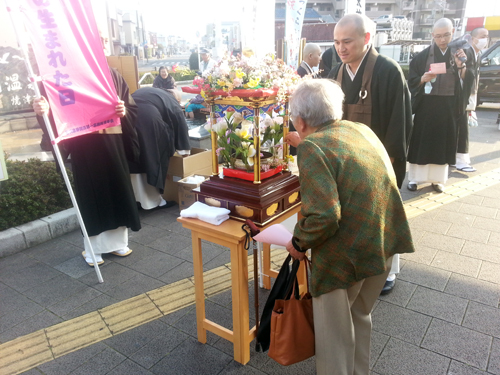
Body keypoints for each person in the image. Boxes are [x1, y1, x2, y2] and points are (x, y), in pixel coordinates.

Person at [284, 79, 414, 375]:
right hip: (384, 242)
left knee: (333, 338)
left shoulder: (312, 149)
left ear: (300, 122)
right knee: (359, 317)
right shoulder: (360, 130)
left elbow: (325, 216)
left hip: (345, 258)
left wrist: (299, 242)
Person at [328, 13, 413, 294]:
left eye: (347, 42)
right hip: (347, 162)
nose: (341, 48)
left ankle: (388, 272)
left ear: (366, 38)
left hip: (380, 162)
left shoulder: (388, 71)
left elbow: (399, 121)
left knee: (382, 217)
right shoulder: (336, 72)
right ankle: (357, 266)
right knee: (354, 218)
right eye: (337, 42)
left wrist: (388, 163)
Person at [33, 67, 141, 267]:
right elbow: (57, 114)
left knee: (118, 191)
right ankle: (95, 249)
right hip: (84, 145)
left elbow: (130, 107)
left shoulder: (111, 73)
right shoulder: (62, 73)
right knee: (93, 195)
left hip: (113, 141)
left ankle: (118, 243)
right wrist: (44, 112)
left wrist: (124, 111)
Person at [407, 18, 474, 193]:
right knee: (421, 141)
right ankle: (414, 178)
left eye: (446, 35)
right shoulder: (422, 56)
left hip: (449, 107)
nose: (442, 40)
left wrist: (461, 67)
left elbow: (469, 79)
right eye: (438, 36)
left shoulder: (461, 54)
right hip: (426, 107)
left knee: (443, 143)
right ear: (432, 36)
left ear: (453, 33)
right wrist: (422, 79)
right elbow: (411, 78)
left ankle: (438, 180)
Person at [130, 87, 191, 209]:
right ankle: (155, 202)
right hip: (148, 120)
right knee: (153, 158)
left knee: (134, 158)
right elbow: (181, 124)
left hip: (127, 116)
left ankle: (136, 200)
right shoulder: (172, 101)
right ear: (177, 99)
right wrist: (184, 150)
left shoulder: (152, 92)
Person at [455, 27, 489, 172]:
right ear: (473, 38)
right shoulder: (466, 53)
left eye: (487, 36)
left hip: (468, 98)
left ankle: (457, 160)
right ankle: (461, 161)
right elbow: (463, 77)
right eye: (482, 36)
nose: (485, 39)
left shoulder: (477, 54)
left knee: (460, 130)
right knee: (462, 131)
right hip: (461, 99)